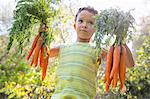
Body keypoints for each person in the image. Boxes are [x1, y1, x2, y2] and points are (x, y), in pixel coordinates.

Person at [46, 6, 105, 99]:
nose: (85, 25)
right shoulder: (63, 48)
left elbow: (128, 63)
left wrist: (121, 40)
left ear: (95, 29)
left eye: (91, 23)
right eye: (81, 21)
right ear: (74, 26)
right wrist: (41, 36)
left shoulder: (97, 50)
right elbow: (41, 54)